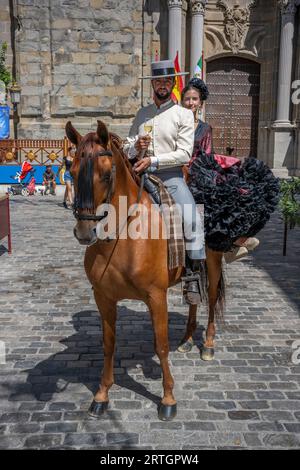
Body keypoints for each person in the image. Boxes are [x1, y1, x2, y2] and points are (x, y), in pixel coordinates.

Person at [123, 60, 205, 305]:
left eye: (167, 81)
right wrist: (134, 147)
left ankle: (193, 273)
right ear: (153, 84)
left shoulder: (183, 114)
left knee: (191, 217)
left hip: (170, 177)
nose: (162, 85)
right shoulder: (142, 114)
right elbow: (127, 146)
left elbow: (184, 154)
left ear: (173, 83)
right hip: (138, 175)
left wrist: (154, 161)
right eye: (158, 81)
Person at [181, 77, 280, 261]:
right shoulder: (175, 125)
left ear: (200, 103)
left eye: (194, 99)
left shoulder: (204, 128)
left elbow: (207, 156)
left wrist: (197, 173)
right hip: (179, 171)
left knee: (228, 198)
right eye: (187, 99)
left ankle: (234, 242)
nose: (191, 102)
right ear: (182, 102)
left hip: (198, 173)